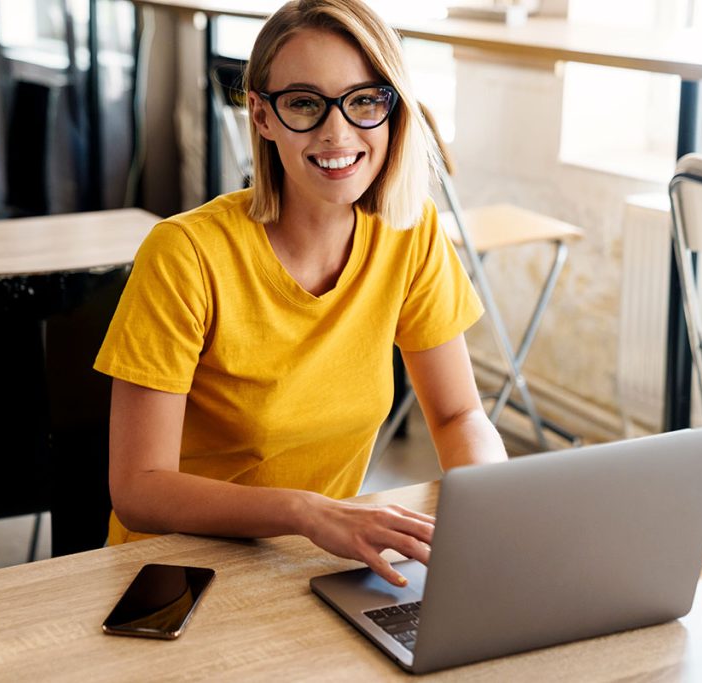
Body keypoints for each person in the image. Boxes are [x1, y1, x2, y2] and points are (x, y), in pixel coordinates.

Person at [95, 0, 507, 587]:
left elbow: (458, 413)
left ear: (393, 109)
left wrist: (498, 513)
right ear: (261, 115)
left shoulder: (411, 234)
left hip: (312, 565)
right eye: (305, 104)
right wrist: (306, 512)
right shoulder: (185, 253)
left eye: (364, 100)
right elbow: (138, 488)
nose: (337, 132)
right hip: (172, 572)